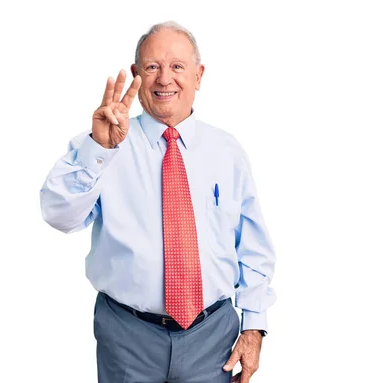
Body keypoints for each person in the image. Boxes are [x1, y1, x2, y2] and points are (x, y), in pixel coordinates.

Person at [40, 21, 276, 383]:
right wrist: (98, 150)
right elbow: (59, 215)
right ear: (136, 74)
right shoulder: (105, 143)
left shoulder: (226, 151)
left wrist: (254, 327)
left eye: (177, 67)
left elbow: (253, 248)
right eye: (152, 67)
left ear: (198, 76)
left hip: (212, 338)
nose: (165, 79)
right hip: (127, 337)